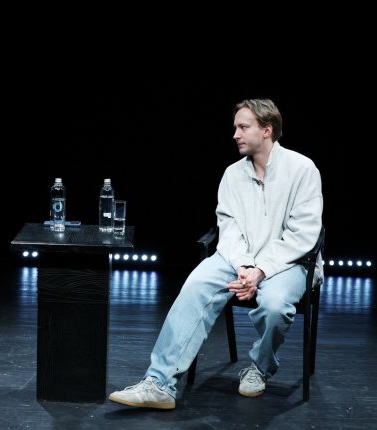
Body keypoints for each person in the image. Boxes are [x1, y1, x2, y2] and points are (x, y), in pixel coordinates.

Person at [109, 98, 323, 409]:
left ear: (267, 130)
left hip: (290, 262)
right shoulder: (232, 174)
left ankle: (260, 367)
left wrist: (261, 270)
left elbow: (303, 234)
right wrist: (244, 265)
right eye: (235, 127)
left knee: (275, 305)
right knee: (196, 284)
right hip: (238, 259)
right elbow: (228, 226)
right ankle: (159, 383)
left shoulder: (302, 169)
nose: (235, 134)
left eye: (243, 127)